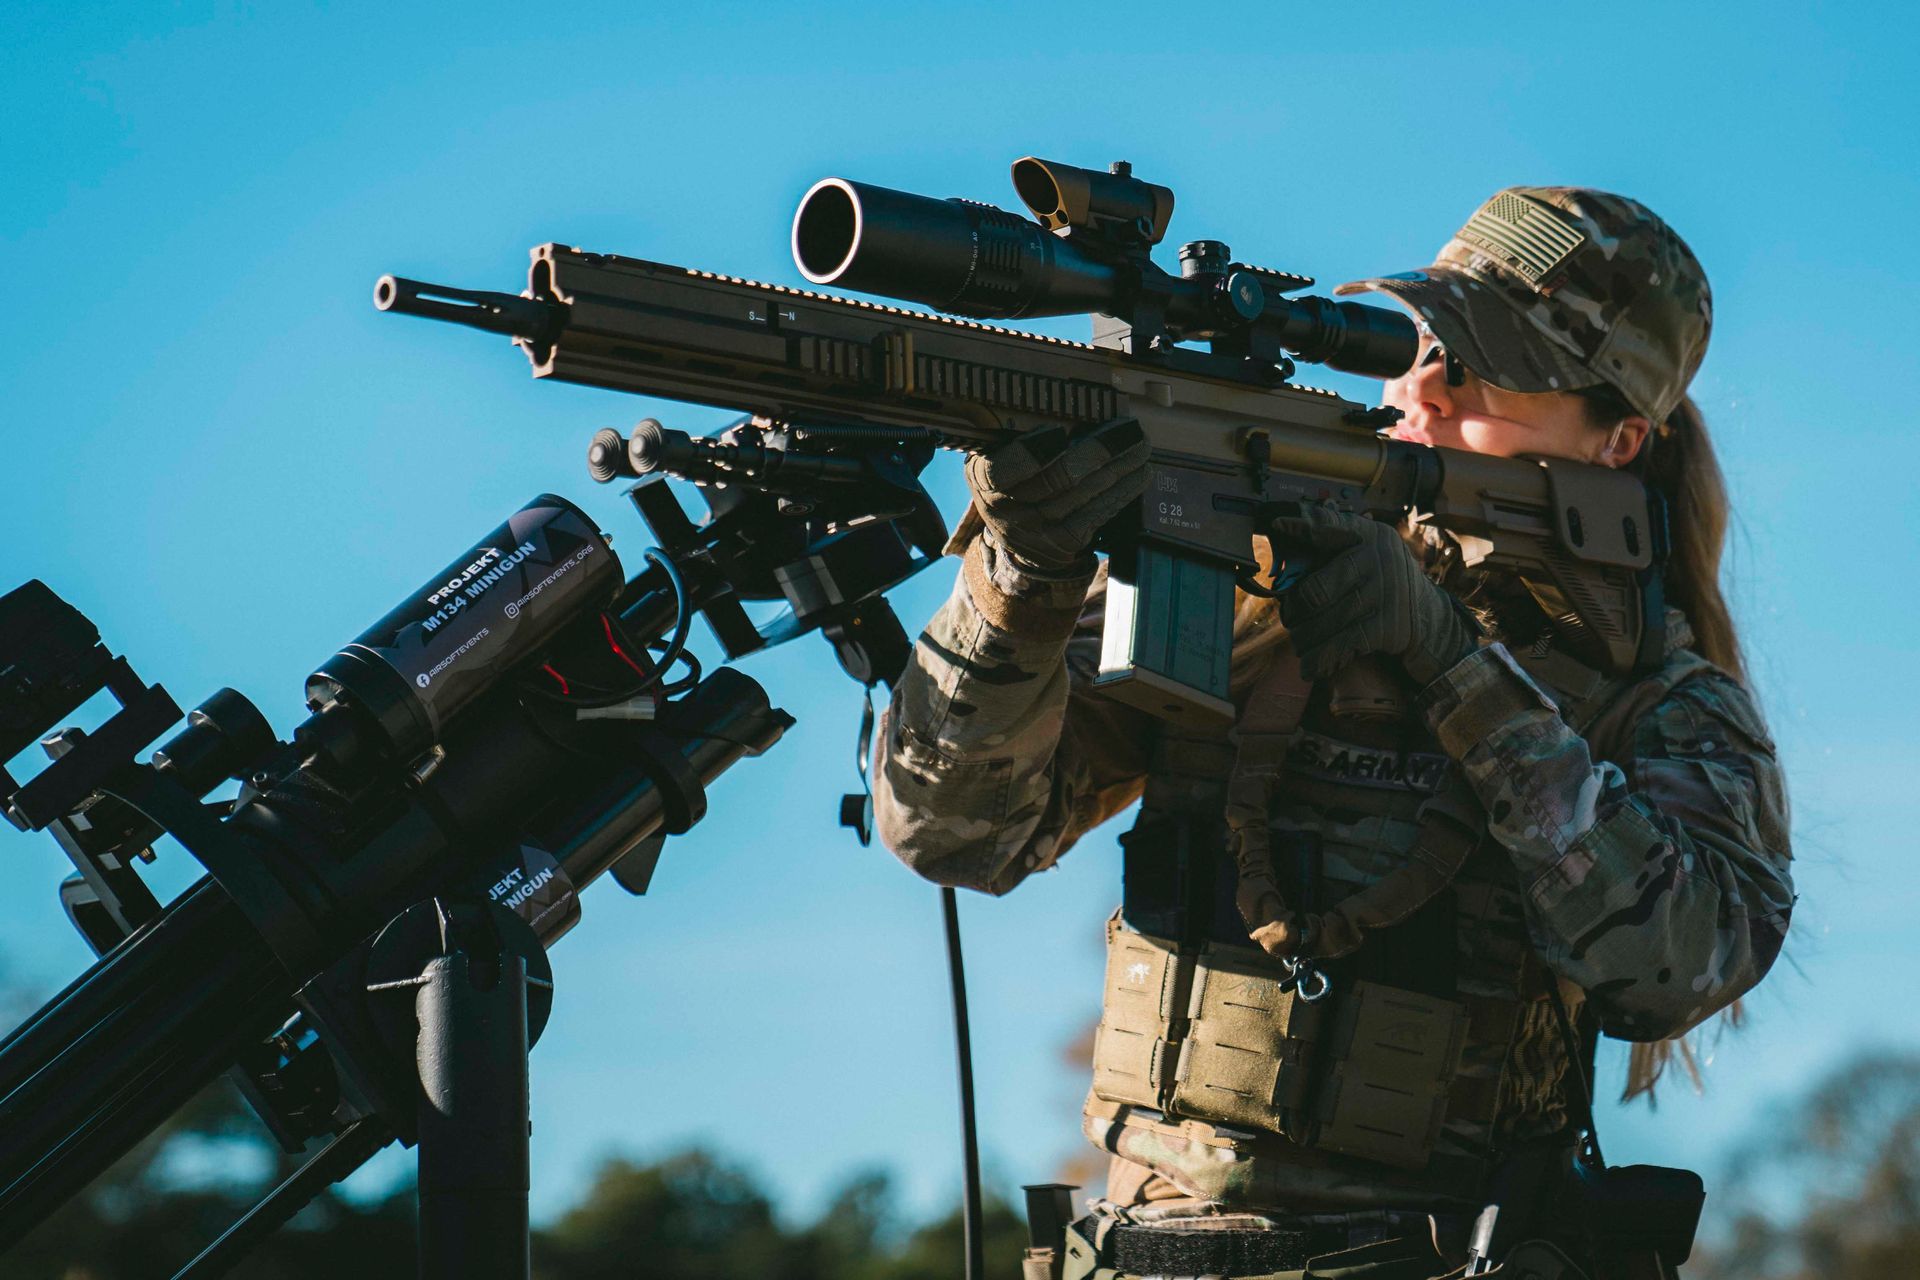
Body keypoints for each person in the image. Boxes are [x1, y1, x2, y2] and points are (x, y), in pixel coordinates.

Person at [871, 187, 1795, 1279]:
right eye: (1420, 347)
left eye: (1487, 366)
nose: (1425, 389)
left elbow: (1676, 963)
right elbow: (953, 831)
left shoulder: (1654, 692)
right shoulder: (1241, 594)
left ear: (1620, 439)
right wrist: (1019, 578)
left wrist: (1451, 663)